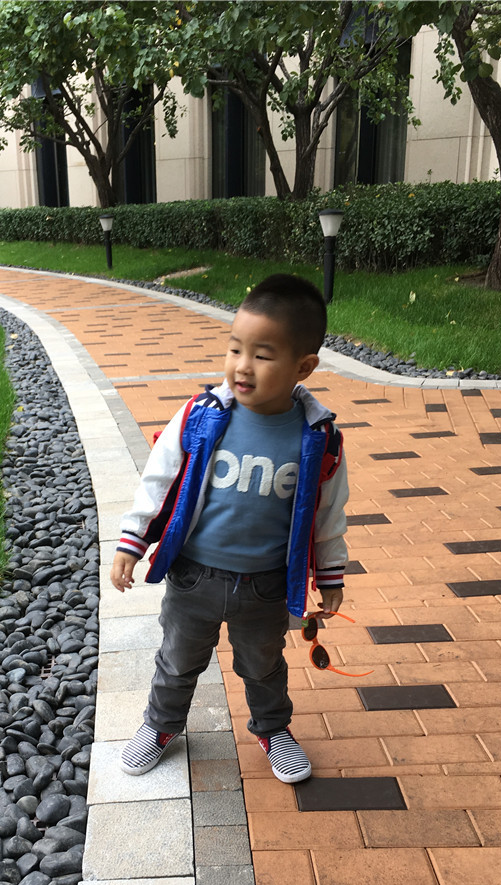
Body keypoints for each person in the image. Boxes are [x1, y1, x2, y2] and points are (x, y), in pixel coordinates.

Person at [110, 273, 349, 783]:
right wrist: (133, 541)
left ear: (303, 366)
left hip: (265, 585)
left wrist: (331, 574)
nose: (242, 365)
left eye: (263, 355)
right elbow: (159, 479)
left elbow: (328, 512)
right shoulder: (202, 416)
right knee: (177, 659)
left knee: (263, 665)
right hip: (193, 577)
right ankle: (160, 725)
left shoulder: (317, 437)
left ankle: (273, 729)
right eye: (235, 348)